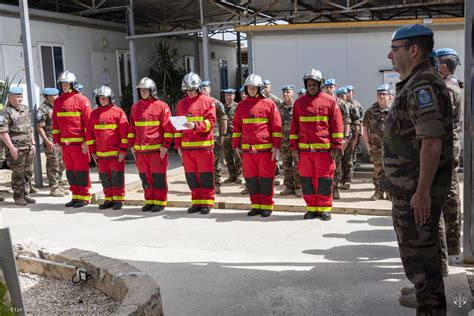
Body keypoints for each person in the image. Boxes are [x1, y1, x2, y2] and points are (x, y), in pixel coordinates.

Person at [382, 24, 453, 314]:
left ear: (413, 50)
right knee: (423, 260)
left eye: (394, 49)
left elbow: (432, 141)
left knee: (422, 265)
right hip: (410, 191)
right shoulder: (417, 82)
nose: (389, 56)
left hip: (415, 193)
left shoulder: (423, 85)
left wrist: (422, 192)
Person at [289, 69, 343, 221]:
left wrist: (336, 146)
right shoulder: (299, 103)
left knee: (324, 180)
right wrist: (293, 147)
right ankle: (311, 208)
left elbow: (337, 126)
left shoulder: (330, 101)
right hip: (305, 151)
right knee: (306, 180)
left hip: (324, 151)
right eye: (309, 84)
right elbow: (294, 127)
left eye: (314, 84)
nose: (311, 86)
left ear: (320, 85)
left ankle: (325, 209)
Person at [232, 74, 282, 217]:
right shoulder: (241, 106)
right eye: (249, 87)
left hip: (265, 150)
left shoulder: (269, 104)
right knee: (251, 178)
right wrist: (236, 145)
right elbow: (236, 128)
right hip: (248, 151)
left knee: (266, 179)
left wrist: (276, 146)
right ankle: (256, 205)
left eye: (254, 87)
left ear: (259, 88)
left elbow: (276, 127)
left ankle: (267, 206)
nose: (252, 90)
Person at [435, 48, 463, 273]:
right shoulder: (454, 86)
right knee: (450, 199)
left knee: (445, 204)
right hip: (449, 152)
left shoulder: (447, 90)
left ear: (443, 66)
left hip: (443, 153)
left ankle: (445, 258)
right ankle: (452, 252)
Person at [129, 77, 173, 212]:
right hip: (141, 151)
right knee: (145, 178)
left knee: (158, 178)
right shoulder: (135, 107)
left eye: (145, 90)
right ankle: (149, 200)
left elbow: (168, 129)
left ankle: (160, 202)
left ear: (151, 90)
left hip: (156, 151)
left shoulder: (162, 106)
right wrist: (131, 145)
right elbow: (132, 128)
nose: (143, 92)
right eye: (141, 90)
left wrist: (165, 147)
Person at [175, 72, 216, 215]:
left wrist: (195, 126)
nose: (190, 93)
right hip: (187, 148)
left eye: (192, 90)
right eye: (188, 90)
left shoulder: (208, 101)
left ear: (198, 88)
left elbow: (211, 122)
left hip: (203, 146)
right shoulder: (181, 104)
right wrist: (177, 146)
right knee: (191, 177)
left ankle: (207, 203)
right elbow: (178, 127)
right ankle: (196, 202)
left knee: (205, 177)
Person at [52, 71, 92, 208]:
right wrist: (56, 141)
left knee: (81, 171)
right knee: (70, 172)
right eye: (62, 84)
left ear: (73, 84)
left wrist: (87, 141)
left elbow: (88, 123)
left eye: (66, 84)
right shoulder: (58, 102)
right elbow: (55, 124)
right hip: (65, 144)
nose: (64, 86)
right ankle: (75, 196)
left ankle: (84, 196)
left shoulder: (82, 100)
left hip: (79, 144)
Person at [86, 86, 129, 210]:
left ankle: (118, 200)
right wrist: (92, 151)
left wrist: (123, 150)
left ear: (111, 99)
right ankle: (108, 199)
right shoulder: (94, 114)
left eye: (105, 98)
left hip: (116, 154)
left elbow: (124, 133)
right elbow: (90, 134)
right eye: (101, 98)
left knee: (117, 177)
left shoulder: (118, 112)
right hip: (101, 154)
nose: (103, 100)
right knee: (104, 178)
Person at [0, 87, 36, 205]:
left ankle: (26, 194)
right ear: (10, 97)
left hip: (28, 147)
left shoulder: (25, 109)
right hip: (16, 149)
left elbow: (30, 128)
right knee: (18, 173)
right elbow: (3, 132)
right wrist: (11, 148)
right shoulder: (6, 112)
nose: (19, 99)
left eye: (21, 96)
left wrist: (34, 143)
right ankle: (18, 196)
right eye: (17, 96)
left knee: (28, 172)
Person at [362, 84, 391, 201]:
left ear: (389, 96)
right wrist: (367, 145)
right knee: (378, 170)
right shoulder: (370, 111)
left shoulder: (394, 110)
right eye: (380, 94)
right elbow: (364, 128)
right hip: (376, 147)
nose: (382, 96)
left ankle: (390, 193)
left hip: (391, 147)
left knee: (390, 170)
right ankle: (378, 192)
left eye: (384, 94)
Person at [36, 88, 66, 197]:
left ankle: (58, 184)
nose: (57, 97)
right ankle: (53, 187)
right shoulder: (43, 110)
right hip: (50, 140)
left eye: (57, 95)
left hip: (60, 140)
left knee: (62, 163)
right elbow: (39, 128)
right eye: (54, 95)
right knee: (53, 164)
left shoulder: (58, 107)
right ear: (48, 97)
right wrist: (47, 141)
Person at [200, 81, 227, 194]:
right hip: (201, 138)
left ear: (209, 89)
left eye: (204, 88)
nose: (202, 90)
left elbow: (223, 118)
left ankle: (217, 184)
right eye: (201, 88)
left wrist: (223, 134)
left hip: (214, 137)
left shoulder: (215, 102)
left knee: (214, 162)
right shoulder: (198, 103)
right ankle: (205, 185)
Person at [278, 85, 301, 197]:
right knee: (286, 165)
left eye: (288, 92)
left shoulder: (298, 106)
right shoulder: (279, 107)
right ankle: (289, 187)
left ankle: (298, 187)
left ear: (292, 94)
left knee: (297, 165)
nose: (285, 94)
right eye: (284, 92)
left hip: (295, 142)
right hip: (283, 142)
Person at [340, 85, 362, 190]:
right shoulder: (337, 107)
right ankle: (340, 180)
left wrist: (356, 139)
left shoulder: (353, 107)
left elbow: (358, 124)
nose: (342, 97)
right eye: (340, 95)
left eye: (344, 94)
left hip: (350, 138)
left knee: (348, 161)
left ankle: (347, 180)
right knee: (339, 160)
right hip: (339, 138)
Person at [332, 87, 351, 200]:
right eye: (327, 88)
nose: (329, 90)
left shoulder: (341, 104)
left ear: (334, 88)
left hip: (337, 140)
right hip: (323, 140)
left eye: (331, 88)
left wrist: (346, 138)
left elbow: (347, 121)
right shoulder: (320, 101)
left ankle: (335, 188)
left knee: (337, 165)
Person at [222, 88, 243, 184]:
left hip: (236, 135)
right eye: (227, 95)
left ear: (234, 96)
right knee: (228, 157)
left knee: (238, 156)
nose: (228, 97)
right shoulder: (222, 107)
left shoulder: (238, 106)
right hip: (226, 136)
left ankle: (239, 175)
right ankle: (232, 175)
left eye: (230, 95)